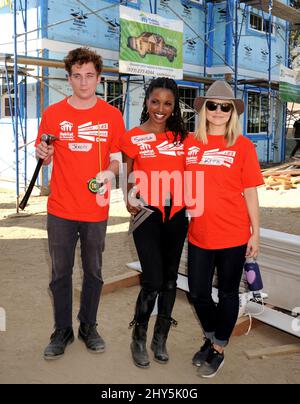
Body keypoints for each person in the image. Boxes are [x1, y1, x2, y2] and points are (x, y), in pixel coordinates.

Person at [35, 47, 125, 360]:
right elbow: (44, 156)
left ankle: (88, 325)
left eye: (89, 76)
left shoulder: (112, 116)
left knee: (94, 272)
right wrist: (43, 155)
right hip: (60, 208)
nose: (84, 82)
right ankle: (62, 330)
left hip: (94, 209)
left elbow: (117, 159)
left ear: (99, 78)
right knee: (60, 273)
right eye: (77, 76)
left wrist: (109, 172)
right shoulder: (53, 114)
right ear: (69, 78)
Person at [186, 81, 264, 378]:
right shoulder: (191, 144)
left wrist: (255, 233)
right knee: (198, 292)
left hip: (233, 235)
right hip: (199, 234)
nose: (218, 111)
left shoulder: (242, 146)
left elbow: (251, 193)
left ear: (232, 112)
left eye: (225, 106)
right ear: (204, 109)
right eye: (213, 105)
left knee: (228, 293)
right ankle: (212, 334)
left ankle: (217, 348)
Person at [121, 77, 188, 368]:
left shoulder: (184, 138)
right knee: (152, 280)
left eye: (168, 103)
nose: (161, 109)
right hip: (147, 215)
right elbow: (127, 173)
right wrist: (128, 198)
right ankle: (138, 337)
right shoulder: (133, 136)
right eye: (155, 101)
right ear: (146, 101)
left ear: (175, 107)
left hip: (177, 216)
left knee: (171, 280)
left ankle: (160, 338)